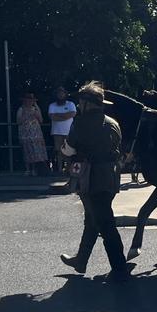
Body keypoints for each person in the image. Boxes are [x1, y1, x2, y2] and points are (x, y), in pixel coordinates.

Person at [59, 81, 130, 282]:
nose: (79, 106)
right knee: (93, 218)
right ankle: (81, 260)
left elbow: (68, 149)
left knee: (105, 222)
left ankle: (119, 267)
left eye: (81, 102)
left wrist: (66, 151)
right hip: (111, 176)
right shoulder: (112, 122)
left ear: (85, 103)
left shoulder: (80, 123)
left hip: (90, 178)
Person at [16, 92, 47, 176]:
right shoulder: (21, 109)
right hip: (25, 133)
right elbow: (18, 121)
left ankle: (34, 170)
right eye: (27, 100)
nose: (29, 102)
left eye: (31, 100)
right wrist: (26, 116)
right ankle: (27, 169)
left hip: (36, 133)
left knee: (35, 152)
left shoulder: (35, 109)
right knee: (27, 151)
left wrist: (36, 110)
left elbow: (41, 120)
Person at [48, 86, 77, 174]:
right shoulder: (52, 105)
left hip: (69, 131)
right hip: (57, 131)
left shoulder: (71, 104)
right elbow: (52, 116)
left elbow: (72, 114)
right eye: (59, 93)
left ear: (65, 94)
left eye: (62, 93)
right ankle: (60, 169)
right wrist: (65, 115)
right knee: (59, 151)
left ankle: (68, 169)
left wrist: (58, 115)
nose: (60, 95)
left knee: (69, 150)